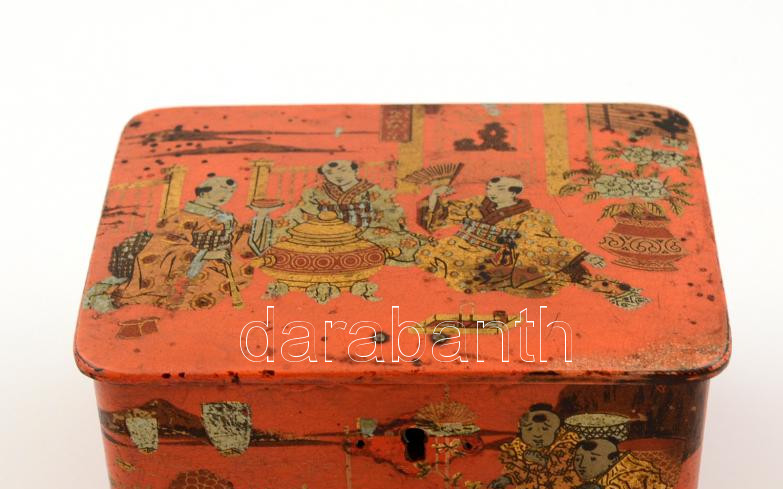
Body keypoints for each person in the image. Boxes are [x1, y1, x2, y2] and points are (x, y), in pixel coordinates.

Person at [415, 176, 645, 307]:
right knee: (426, 255)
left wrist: (583, 254)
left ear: (514, 193)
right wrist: (435, 196)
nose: (491, 192)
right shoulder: (477, 204)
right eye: (489, 188)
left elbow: (543, 241)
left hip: (497, 259)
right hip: (457, 247)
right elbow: (441, 216)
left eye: (499, 189)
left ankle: (597, 284)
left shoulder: (534, 216)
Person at [108, 174, 266, 310]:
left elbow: (239, 241)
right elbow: (168, 245)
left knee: (244, 274)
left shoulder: (225, 217)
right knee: (205, 288)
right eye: (221, 191)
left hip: (219, 261)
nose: (227, 196)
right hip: (189, 265)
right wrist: (208, 254)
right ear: (203, 193)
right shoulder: (182, 217)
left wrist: (259, 219)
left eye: (230, 193)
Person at [271, 160, 424, 265]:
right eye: (329, 173)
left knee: (408, 244)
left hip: (365, 233)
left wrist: (363, 229)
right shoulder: (315, 192)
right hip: (326, 235)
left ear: (355, 170)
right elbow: (300, 212)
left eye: (342, 170)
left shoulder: (373, 190)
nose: (337, 176)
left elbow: (391, 214)